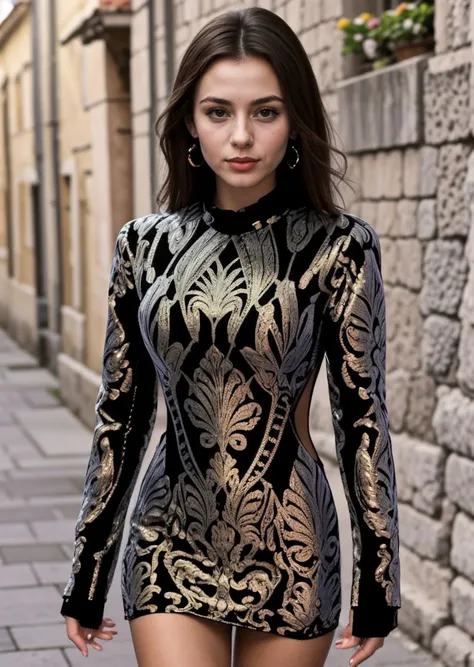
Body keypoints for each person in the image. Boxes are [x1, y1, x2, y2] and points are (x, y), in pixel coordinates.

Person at [60, 6, 401, 667]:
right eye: (219, 112)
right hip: (167, 532)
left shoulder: (339, 247)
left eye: (266, 112)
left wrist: (379, 582)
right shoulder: (144, 246)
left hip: (292, 540)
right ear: (190, 120)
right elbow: (122, 413)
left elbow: (363, 416)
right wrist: (88, 569)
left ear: (294, 119)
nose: (241, 135)